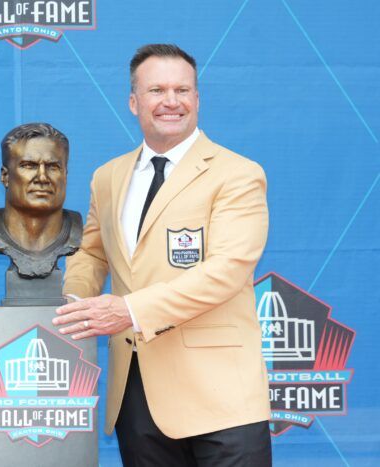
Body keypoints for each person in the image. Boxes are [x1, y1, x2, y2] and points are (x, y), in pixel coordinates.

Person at [53, 44, 272, 466]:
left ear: (197, 99)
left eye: (182, 90)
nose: (171, 101)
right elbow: (92, 253)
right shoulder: (108, 176)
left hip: (222, 396)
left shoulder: (238, 174)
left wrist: (128, 310)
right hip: (137, 393)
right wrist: (77, 300)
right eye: (157, 90)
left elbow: (226, 272)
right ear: (134, 102)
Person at [0, 122, 82, 279]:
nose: (42, 177)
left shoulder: (75, 230)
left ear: (66, 175)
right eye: (29, 166)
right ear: (5, 176)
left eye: (53, 167)